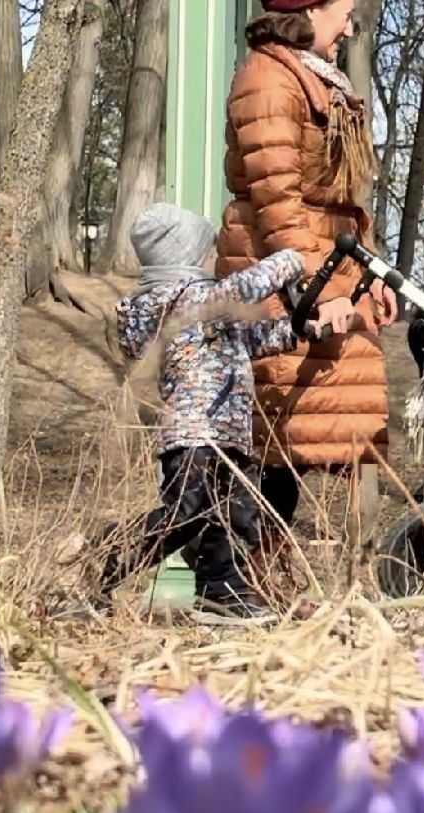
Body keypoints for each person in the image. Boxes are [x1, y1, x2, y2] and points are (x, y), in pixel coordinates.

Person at [216, 0, 396, 571]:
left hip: (326, 264)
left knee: (312, 433)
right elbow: (278, 202)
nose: (349, 27)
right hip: (279, 277)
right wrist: (319, 290)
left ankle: (280, 577)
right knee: (273, 435)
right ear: (310, 10)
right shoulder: (267, 82)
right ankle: (238, 580)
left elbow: (339, 200)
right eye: (342, 13)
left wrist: (370, 277)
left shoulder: (314, 78)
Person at [99, 202, 314, 622]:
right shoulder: (179, 300)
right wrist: (290, 259)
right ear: (177, 255)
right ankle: (107, 559)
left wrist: (298, 330)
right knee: (187, 513)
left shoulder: (202, 306)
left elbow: (250, 340)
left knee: (235, 516)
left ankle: (222, 596)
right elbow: (240, 290)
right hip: (193, 435)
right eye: (200, 251)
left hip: (228, 432)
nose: (207, 259)